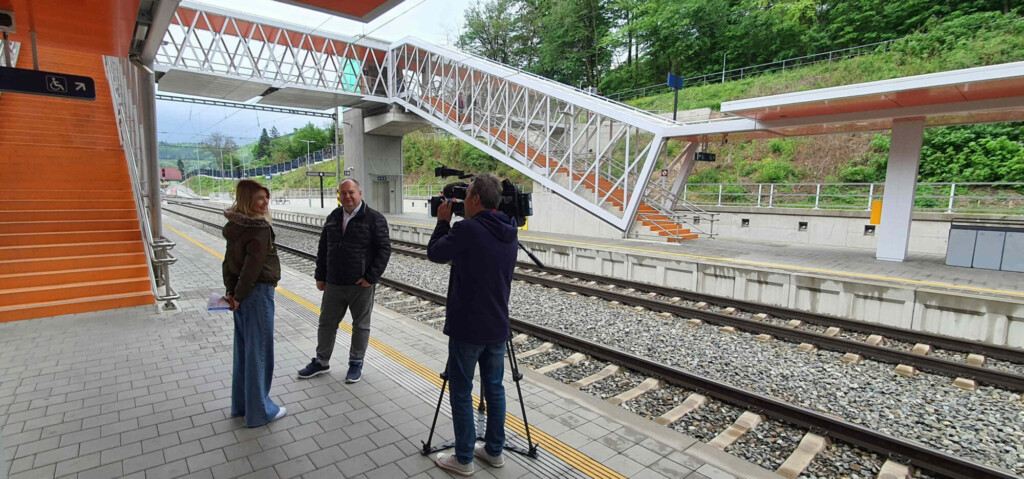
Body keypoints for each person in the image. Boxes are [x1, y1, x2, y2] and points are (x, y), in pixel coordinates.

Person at [426, 173, 519, 476]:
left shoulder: (468, 229)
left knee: (462, 391)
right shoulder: (510, 228)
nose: (462, 202)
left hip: (468, 326)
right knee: (494, 389)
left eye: (466, 196)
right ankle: (494, 451)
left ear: (476, 199)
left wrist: (442, 221)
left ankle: (464, 458)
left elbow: (436, 253)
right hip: (497, 324)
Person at [298, 179, 392, 383]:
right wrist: (320, 275)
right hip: (333, 283)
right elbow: (324, 248)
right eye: (343, 193)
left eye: (351, 192)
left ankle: (356, 363)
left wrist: (370, 278)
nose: (347, 196)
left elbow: (384, 250)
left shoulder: (374, 219)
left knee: (360, 326)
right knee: (326, 323)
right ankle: (322, 361)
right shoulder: (334, 216)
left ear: (359, 192)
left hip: (360, 285)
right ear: (339, 195)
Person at [223, 179, 285, 427]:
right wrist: (238, 295)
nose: (265, 202)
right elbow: (253, 267)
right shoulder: (259, 228)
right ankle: (260, 412)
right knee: (259, 352)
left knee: (245, 351)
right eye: (260, 198)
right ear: (248, 201)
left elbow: (228, 262)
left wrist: (232, 291)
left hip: (241, 294)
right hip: (257, 294)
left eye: (266, 197)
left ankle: (241, 406)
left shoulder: (235, 225)